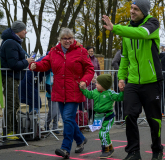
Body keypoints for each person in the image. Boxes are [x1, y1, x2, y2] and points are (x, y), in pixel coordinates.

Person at [102, 0, 164, 159]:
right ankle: (133, 152)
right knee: (129, 115)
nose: (132, 11)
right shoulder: (127, 31)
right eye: (131, 8)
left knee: (154, 119)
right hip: (133, 83)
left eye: (136, 9)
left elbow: (142, 33)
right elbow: (124, 58)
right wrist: (121, 78)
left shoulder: (152, 23)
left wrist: (115, 28)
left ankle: (157, 150)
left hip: (151, 82)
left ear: (143, 11)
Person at [29, 28, 94, 159]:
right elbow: (45, 64)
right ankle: (80, 139)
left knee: (68, 118)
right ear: (60, 40)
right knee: (67, 119)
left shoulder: (81, 51)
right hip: (59, 90)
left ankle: (65, 148)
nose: (67, 41)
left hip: (74, 91)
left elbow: (89, 69)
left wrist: (84, 81)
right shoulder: (54, 51)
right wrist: (36, 65)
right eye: (64, 38)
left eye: (70, 38)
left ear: (73, 38)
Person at [0, 20, 34, 139]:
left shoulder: (13, 42)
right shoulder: (11, 43)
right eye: (24, 29)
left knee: (14, 104)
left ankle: (12, 130)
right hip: (10, 78)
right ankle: (9, 132)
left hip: (13, 78)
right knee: (11, 104)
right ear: (18, 31)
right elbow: (13, 64)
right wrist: (27, 61)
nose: (26, 31)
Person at [80, 74, 124, 158]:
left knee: (102, 133)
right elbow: (89, 95)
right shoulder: (95, 91)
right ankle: (110, 148)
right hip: (99, 116)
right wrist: (83, 89)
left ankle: (105, 150)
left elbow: (119, 97)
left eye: (98, 83)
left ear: (104, 85)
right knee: (104, 133)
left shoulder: (110, 93)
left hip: (108, 116)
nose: (96, 84)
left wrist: (122, 91)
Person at [44, 71, 60, 135]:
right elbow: (47, 85)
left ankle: (55, 127)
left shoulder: (59, 73)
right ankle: (46, 125)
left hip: (59, 95)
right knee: (53, 111)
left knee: (57, 112)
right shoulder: (51, 74)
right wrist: (53, 94)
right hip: (52, 96)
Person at [111, 50, 123, 123]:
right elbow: (114, 62)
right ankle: (118, 117)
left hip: (128, 77)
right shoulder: (120, 52)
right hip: (119, 77)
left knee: (126, 98)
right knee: (118, 97)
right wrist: (119, 72)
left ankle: (125, 116)